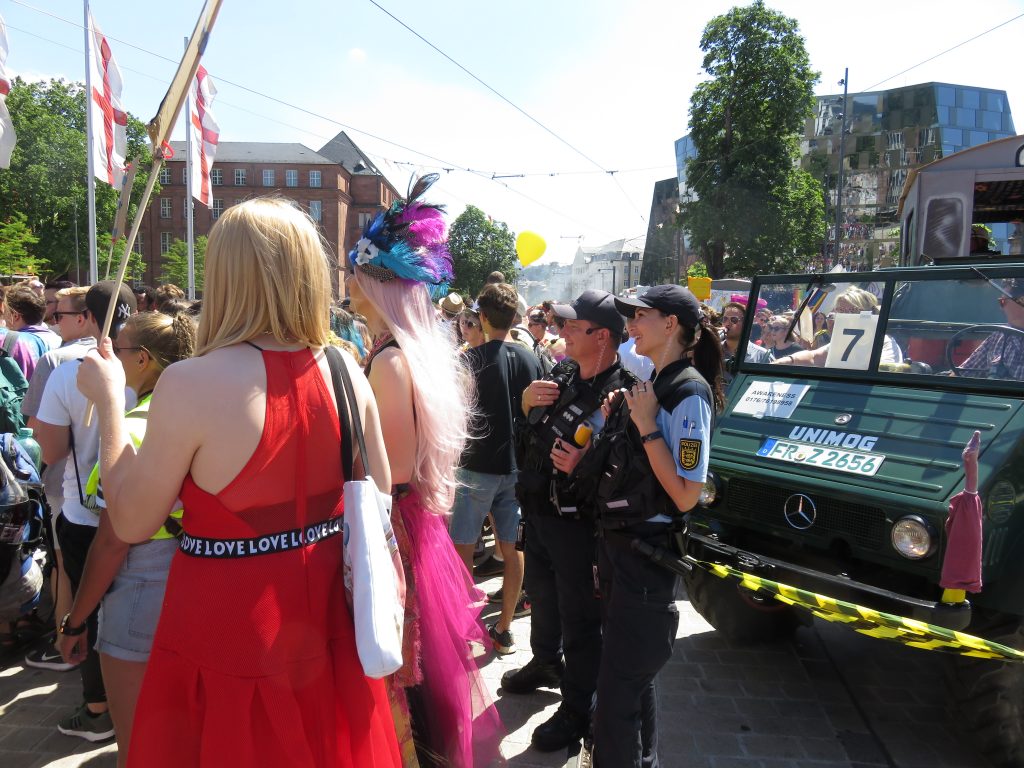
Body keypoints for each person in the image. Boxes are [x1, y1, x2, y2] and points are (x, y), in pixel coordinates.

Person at [76, 199, 401, 766]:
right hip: (325, 622)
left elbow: (130, 520)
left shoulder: (189, 382)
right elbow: (382, 495)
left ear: (225, 274)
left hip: (225, 629)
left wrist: (108, 405)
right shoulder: (348, 368)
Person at [346, 174, 502, 767]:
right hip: (413, 521)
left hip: (398, 527)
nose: (349, 290)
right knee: (421, 671)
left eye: (356, 280)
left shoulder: (389, 363)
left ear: (378, 286)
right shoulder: (402, 354)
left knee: (411, 673)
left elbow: (390, 471)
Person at [57, 311, 195, 767]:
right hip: (193, 582)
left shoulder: (134, 429)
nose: (106, 354)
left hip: (142, 588)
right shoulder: (192, 416)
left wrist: (75, 621)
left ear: (143, 361)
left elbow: (113, 543)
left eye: (117, 348)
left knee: (138, 742)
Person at [594, 284, 724, 767]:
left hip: (646, 556)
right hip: (622, 546)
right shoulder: (654, 380)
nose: (630, 324)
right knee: (630, 679)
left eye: (640, 315)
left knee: (617, 693)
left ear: (670, 324)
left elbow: (687, 493)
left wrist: (646, 424)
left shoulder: (689, 392)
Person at [504, 288, 637, 753]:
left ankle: (578, 708)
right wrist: (523, 404)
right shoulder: (561, 373)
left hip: (579, 527)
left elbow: (621, 475)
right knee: (541, 595)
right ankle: (544, 661)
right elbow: (528, 436)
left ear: (601, 337)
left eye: (570, 326)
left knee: (581, 618)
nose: (560, 332)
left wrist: (584, 461)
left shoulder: (620, 396)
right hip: (539, 512)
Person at [35, 281, 138, 742]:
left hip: (87, 516)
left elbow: (53, 450)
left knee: (91, 614)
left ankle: (99, 709)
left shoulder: (69, 371)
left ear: (90, 319)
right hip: (150, 518)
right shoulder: (157, 369)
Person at [449, 283, 541, 656]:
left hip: (476, 467)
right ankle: (503, 628)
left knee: (462, 548)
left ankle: (460, 625)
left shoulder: (470, 359)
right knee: (513, 544)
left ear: (483, 317)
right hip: (516, 469)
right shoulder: (530, 358)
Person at [22, 286, 98, 673]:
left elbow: (45, 444)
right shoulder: (137, 357)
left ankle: (64, 645)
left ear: (84, 317)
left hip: (71, 493)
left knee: (66, 569)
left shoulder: (58, 361)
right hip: (124, 499)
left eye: (59, 314)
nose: (53, 320)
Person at [773, 286, 903, 366]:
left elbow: (886, 369)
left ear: (867, 313)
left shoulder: (884, 342)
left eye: (850, 311)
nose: (843, 316)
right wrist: (787, 360)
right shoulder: (842, 340)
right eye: (840, 311)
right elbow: (814, 356)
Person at [958, 278, 1024, 380]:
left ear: (1022, 301)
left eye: (1003, 301)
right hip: (991, 395)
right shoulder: (998, 335)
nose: (1001, 308)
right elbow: (965, 372)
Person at [720, 301, 770, 385]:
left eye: (734, 320)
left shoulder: (762, 355)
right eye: (725, 319)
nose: (727, 324)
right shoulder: (712, 351)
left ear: (745, 324)